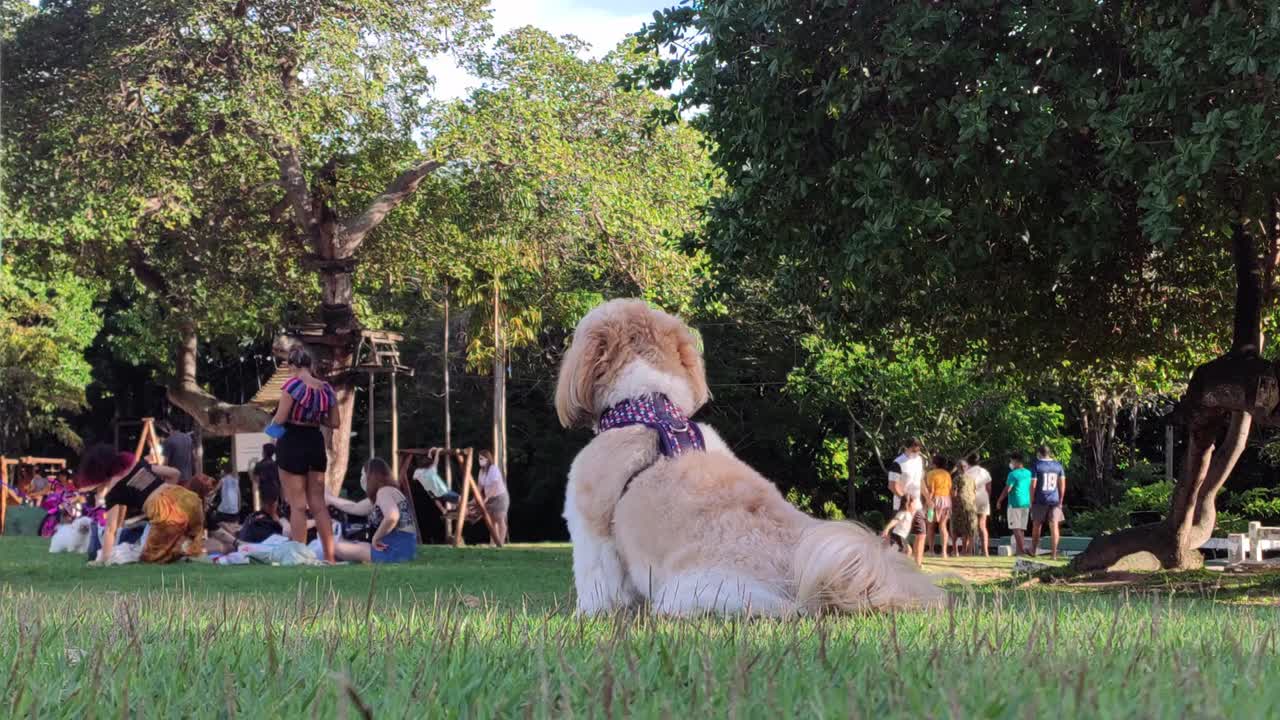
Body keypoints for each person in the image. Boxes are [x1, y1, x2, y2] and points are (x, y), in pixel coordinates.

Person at [77, 444, 208, 564]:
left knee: (151, 556)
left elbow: (110, 530)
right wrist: (168, 496)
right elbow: (175, 473)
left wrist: (103, 560)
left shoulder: (113, 492)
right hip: (187, 498)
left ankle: (184, 550)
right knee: (192, 538)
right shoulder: (138, 464)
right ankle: (200, 549)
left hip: (163, 512)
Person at [270, 347, 340, 564]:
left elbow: (280, 419)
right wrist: (315, 418)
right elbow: (335, 422)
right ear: (310, 364)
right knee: (318, 504)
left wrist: (271, 436)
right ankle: (330, 558)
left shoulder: (292, 386)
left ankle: (300, 558)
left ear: (292, 365)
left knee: (298, 505)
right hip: (315, 442)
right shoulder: (327, 389)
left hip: (293, 442)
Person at [324, 458, 418, 563]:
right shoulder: (387, 492)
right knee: (353, 544)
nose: (361, 479)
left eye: (362, 474)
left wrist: (376, 538)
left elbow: (392, 516)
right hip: (401, 548)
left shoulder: (383, 492)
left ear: (370, 476)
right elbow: (354, 507)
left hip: (395, 550)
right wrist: (330, 499)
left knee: (334, 547)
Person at [1030, 445, 1068, 559]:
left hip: (1040, 499)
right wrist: (1061, 499)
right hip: (1054, 499)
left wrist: (1031, 499)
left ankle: (1033, 550)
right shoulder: (1058, 466)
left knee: (1037, 525)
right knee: (1054, 526)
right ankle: (1054, 554)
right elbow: (1062, 484)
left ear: (1039, 453)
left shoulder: (1036, 466)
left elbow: (1033, 485)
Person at [996, 452, 1033, 556]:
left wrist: (999, 500)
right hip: (1026, 503)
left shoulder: (1013, 474)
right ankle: (1019, 551)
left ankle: (1022, 550)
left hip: (1015, 503)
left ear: (1016, 461)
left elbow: (1008, 488)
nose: (1010, 463)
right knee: (1021, 528)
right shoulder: (1028, 473)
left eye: (1011, 461)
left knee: (1015, 528)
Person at [881, 495, 924, 567]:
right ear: (908, 504)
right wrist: (887, 528)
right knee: (908, 550)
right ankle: (901, 566)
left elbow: (919, 510)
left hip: (901, 536)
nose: (915, 505)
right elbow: (895, 520)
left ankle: (899, 565)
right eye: (914, 503)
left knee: (905, 551)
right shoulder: (902, 512)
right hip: (898, 535)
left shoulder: (909, 513)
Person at [477, 449, 509, 546]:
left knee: (499, 519)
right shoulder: (481, 471)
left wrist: (486, 499)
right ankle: (492, 543)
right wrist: (475, 499)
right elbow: (479, 487)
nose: (479, 460)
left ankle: (500, 544)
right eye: (479, 458)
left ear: (487, 459)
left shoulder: (493, 469)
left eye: (481, 458)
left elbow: (495, 486)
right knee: (492, 521)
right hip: (489, 498)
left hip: (500, 497)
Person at [924, 455, 952, 558]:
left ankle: (931, 551)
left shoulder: (931, 474)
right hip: (946, 501)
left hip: (934, 501)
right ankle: (944, 552)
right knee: (943, 526)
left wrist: (927, 503)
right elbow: (950, 489)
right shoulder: (947, 474)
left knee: (930, 525)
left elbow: (931, 490)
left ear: (934, 463)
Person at [966, 454, 993, 556]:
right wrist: (987, 498)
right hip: (983, 498)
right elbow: (989, 487)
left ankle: (969, 551)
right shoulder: (984, 472)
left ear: (968, 462)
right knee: (982, 525)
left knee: (970, 526)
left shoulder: (967, 473)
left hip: (971, 499)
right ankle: (985, 551)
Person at [952, 457, 978, 557]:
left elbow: (954, 493)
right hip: (971, 505)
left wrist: (953, 503)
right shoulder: (971, 479)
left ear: (958, 468)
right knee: (968, 529)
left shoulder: (957, 479)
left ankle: (956, 551)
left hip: (959, 504)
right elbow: (974, 492)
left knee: (956, 528)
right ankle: (966, 551)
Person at [253, 444, 282, 520]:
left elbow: (256, 481)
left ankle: (267, 529)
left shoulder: (259, 465)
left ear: (264, 452)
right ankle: (279, 529)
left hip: (264, 491)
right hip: (275, 491)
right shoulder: (276, 465)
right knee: (274, 513)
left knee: (266, 514)